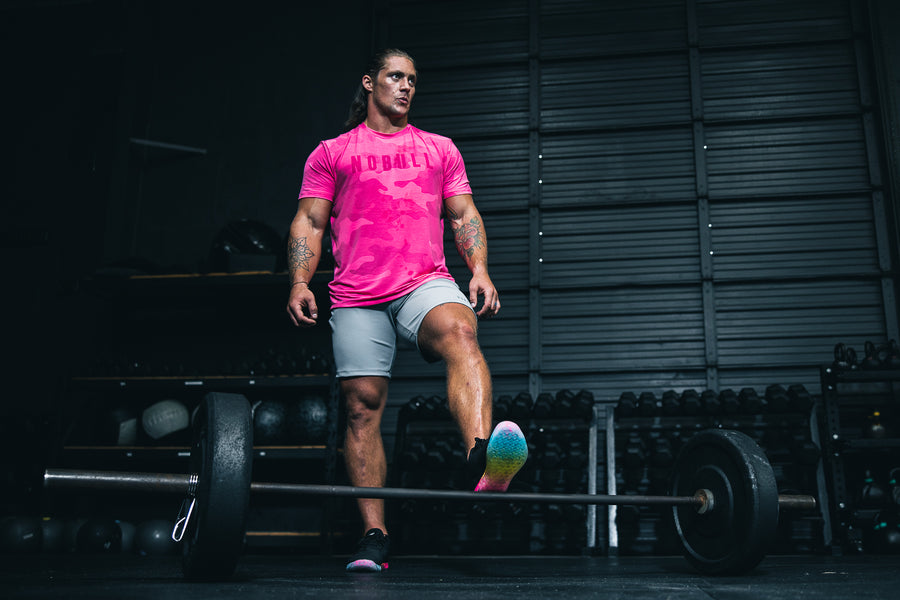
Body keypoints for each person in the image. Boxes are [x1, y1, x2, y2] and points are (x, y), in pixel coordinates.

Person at [285, 48, 527, 572]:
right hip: (357, 294)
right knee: (361, 407)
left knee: (461, 332)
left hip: (424, 281)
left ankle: (482, 460)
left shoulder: (439, 149)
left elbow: (463, 214)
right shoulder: (332, 153)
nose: (406, 87)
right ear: (369, 82)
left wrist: (480, 270)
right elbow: (310, 221)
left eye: (412, 80)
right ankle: (374, 535)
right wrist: (300, 281)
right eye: (396, 76)